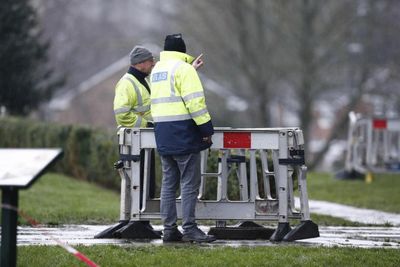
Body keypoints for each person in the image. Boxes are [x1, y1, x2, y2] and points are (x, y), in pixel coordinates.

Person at [150, 34, 216, 243]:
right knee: (189, 183)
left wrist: (191, 69)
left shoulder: (157, 70)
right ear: (182, 50)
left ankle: (169, 230)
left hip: (163, 132)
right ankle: (190, 229)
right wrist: (207, 130)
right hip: (183, 132)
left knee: (169, 184)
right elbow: (195, 103)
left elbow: (172, 92)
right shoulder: (184, 70)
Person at [113, 45, 156, 229]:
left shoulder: (141, 81)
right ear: (140, 64)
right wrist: (146, 125)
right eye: (149, 61)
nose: (153, 64)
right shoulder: (127, 83)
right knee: (139, 183)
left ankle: (141, 220)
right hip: (135, 141)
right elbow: (122, 114)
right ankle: (137, 221)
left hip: (144, 141)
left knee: (146, 182)